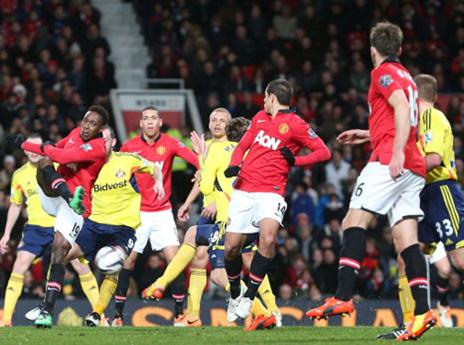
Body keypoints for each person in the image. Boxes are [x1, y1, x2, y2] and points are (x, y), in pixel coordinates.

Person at [306, 23, 436, 341]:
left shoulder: (382, 73)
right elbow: (401, 113)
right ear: (400, 49)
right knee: (405, 238)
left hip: (392, 159)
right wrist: (368, 134)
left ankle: (343, 295)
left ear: (372, 51)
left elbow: (402, 108)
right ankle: (423, 312)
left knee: (354, 220)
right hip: (413, 165)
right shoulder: (407, 75)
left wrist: (394, 155)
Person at [143, 117, 281, 330]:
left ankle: (263, 311)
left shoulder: (216, 149)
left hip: (227, 217)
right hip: (245, 217)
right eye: (214, 120)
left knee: (220, 271)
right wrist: (190, 200)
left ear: (229, 127)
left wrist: (203, 164)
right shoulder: (252, 151)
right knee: (196, 245)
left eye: (222, 121)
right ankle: (191, 314)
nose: (218, 124)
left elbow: (207, 186)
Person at [223, 79, 331, 322]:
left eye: (265, 96)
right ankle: (234, 292)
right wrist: (233, 166)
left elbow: (324, 152)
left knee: (268, 239)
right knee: (231, 248)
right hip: (244, 188)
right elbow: (242, 147)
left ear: (272, 97)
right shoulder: (260, 116)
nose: (263, 101)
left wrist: (296, 161)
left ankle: (250, 295)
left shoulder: (296, 124)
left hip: (272, 191)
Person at [34, 127, 164, 327]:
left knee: (113, 266)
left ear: (113, 142)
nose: (102, 144)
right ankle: (46, 306)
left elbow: (154, 167)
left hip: (123, 229)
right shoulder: (87, 165)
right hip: (94, 225)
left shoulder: (128, 160)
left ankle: (96, 314)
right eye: (98, 141)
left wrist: (159, 182)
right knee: (59, 257)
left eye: (105, 140)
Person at [377, 74, 464, 338]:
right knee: (405, 256)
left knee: (460, 261)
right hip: (421, 194)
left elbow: (435, 158)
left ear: (416, 93)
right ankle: (409, 322)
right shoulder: (415, 122)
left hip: (440, 191)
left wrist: (398, 170)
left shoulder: (432, 117)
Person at [20, 105, 110, 326]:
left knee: (59, 248)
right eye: (85, 121)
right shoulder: (74, 133)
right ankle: (68, 194)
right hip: (59, 194)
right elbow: (49, 153)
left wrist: (33, 144)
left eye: (93, 124)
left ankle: (46, 310)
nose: (87, 127)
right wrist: (28, 144)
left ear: (100, 129)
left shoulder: (98, 146)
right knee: (42, 163)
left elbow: (63, 154)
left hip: (77, 206)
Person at [112, 106, 198, 326]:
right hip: (137, 213)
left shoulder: (170, 142)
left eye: (153, 118)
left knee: (175, 260)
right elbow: (116, 174)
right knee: (127, 260)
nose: (149, 122)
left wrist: (201, 168)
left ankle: (180, 315)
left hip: (162, 212)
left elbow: (194, 159)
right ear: (140, 124)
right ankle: (118, 316)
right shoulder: (129, 147)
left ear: (160, 122)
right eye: (145, 119)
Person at [0, 135, 98, 326]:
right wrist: (6, 234)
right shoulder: (19, 175)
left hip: (61, 224)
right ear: (25, 151)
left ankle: (101, 315)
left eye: (38, 148)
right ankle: (6, 319)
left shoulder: (56, 167)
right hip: (36, 228)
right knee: (20, 263)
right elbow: (15, 205)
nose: (33, 151)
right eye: (30, 148)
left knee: (80, 265)